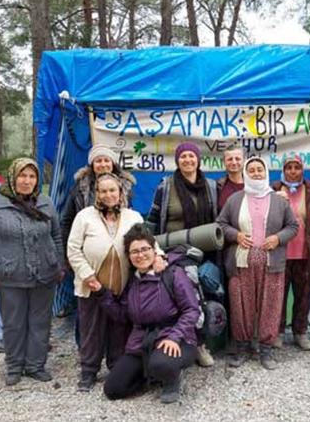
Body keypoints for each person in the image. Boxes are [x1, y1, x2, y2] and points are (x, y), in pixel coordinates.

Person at [91, 224, 200, 404]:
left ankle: (172, 378)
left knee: (161, 363)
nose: (140, 255)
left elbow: (191, 309)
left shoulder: (173, 273)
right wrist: (102, 293)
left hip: (176, 337)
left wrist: (174, 337)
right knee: (113, 389)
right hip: (141, 342)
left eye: (145, 249)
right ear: (129, 256)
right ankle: (150, 375)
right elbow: (122, 315)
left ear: (154, 249)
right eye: (134, 252)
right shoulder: (133, 281)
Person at [0, 158, 62, 386]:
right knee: (13, 323)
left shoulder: (45, 202)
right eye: (22, 176)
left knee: (40, 321)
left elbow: (55, 235)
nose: (27, 181)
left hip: (45, 273)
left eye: (32, 176)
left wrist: (58, 263)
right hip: (9, 274)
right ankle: (14, 366)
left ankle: (35, 365)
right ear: (12, 178)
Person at [217, 157, 299, 370]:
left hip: (272, 264)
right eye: (251, 170)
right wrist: (236, 235)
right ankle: (242, 347)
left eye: (259, 169)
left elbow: (292, 226)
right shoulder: (235, 199)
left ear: (266, 172)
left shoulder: (279, 201)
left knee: (270, 306)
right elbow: (221, 224)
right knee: (240, 306)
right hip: (241, 264)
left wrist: (278, 238)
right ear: (245, 173)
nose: (255, 173)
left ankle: (266, 350)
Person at [67, 173, 144, 392]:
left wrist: (158, 258)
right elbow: (73, 249)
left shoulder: (133, 217)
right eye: (103, 191)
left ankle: (116, 366)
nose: (108, 195)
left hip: (122, 285)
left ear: (121, 193)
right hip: (91, 285)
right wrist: (86, 274)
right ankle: (88, 371)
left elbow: (146, 242)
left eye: (113, 190)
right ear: (97, 194)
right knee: (91, 329)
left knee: (119, 329)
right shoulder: (84, 217)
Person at [146, 141, 217, 367]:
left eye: (191, 156)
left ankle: (202, 341)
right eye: (183, 156)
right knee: (186, 299)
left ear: (198, 159)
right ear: (177, 160)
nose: (187, 160)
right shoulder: (166, 186)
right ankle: (187, 343)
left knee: (207, 297)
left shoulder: (211, 187)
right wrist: (151, 251)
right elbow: (152, 221)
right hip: (175, 254)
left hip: (206, 252)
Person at [58, 144, 136, 318]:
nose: (102, 164)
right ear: (92, 164)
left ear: (113, 163)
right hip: (87, 259)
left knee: (115, 312)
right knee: (88, 312)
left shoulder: (127, 188)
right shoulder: (79, 188)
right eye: (98, 161)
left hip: (117, 263)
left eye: (106, 160)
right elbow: (66, 221)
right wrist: (68, 256)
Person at [271, 155, 310, 351]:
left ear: (302, 169)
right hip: (280, 251)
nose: (292, 171)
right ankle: (278, 331)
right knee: (279, 295)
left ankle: (300, 332)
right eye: (288, 167)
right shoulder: (273, 189)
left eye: (296, 167)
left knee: (303, 294)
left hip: (304, 251)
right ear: (283, 170)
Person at [216, 146, 245, 211]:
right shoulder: (217, 187)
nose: (234, 162)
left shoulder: (253, 185)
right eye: (230, 159)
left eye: (237, 159)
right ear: (224, 162)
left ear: (243, 161)